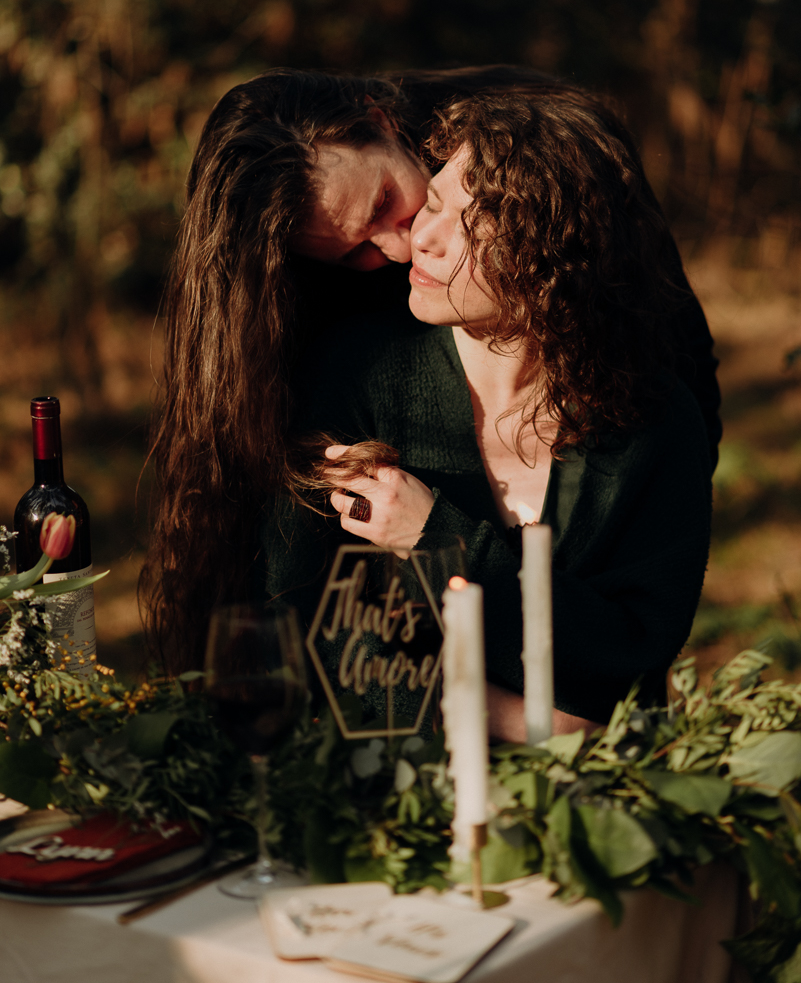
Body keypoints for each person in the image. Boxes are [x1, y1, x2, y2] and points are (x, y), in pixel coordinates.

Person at [139, 68, 720, 677]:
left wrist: (654, 517)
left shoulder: (547, 150)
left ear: (381, 121)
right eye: (352, 253)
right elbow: (326, 635)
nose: (398, 248)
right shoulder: (350, 369)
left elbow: (672, 356)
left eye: (388, 204)